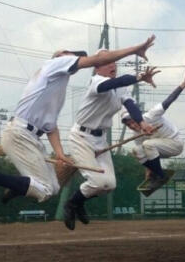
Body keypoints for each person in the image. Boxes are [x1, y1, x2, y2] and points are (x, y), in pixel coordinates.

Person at [0, 36, 157, 209]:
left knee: (54, 188)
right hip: (19, 133)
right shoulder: (55, 64)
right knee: (45, 190)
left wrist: (59, 153)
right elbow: (98, 60)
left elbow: (51, 127)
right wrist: (135, 50)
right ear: (60, 56)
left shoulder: (57, 87)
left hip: (31, 135)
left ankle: (18, 186)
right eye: (71, 55)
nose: (74, 57)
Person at [62, 52, 161, 230]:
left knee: (109, 185)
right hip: (81, 137)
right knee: (97, 183)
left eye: (114, 61)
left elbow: (130, 104)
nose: (112, 64)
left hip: (100, 139)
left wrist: (142, 122)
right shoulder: (96, 82)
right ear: (97, 66)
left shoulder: (121, 87)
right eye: (107, 62)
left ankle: (78, 202)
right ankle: (71, 204)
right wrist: (138, 77)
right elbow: (113, 83)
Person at [121, 70, 185, 194]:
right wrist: (148, 171)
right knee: (137, 150)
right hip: (159, 149)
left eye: (132, 121)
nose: (131, 125)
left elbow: (168, 101)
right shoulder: (136, 135)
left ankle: (161, 175)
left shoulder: (151, 116)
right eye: (128, 124)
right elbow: (144, 153)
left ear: (137, 116)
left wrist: (183, 84)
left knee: (148, 144)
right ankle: (156, 174)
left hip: (175, 143)